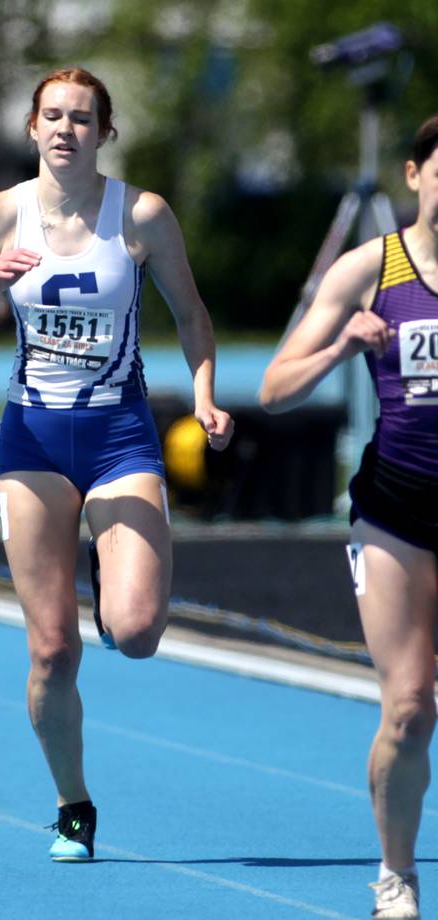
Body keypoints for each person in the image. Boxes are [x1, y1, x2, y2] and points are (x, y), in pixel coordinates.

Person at [0, 66, 234, 861]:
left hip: (119, 436)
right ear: (32, 129)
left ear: (105, 132)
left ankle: (112, 572)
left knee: (134, 634)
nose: (66, 129)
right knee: (53, 651)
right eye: (52, 116)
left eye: (82, 118)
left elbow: (192, 314)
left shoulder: (143, 215)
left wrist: (203, 394)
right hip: (31, 441)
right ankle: (72, 805)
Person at [260, 115, 438, 920]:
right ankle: (396, 876)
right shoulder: (371, 270)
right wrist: (341, 349)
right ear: (414, 175)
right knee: (409, 705)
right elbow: (273, 387)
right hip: (397, 512)